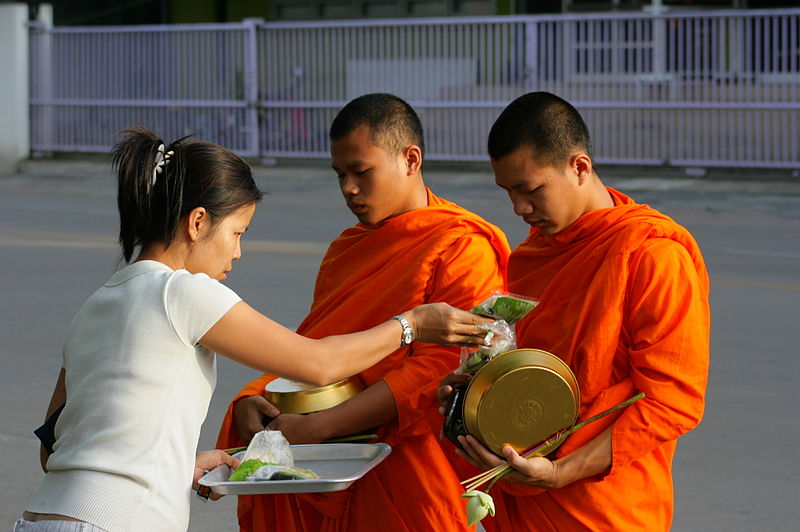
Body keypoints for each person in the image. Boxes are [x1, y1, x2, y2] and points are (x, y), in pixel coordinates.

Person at [16, 126, 493, 532]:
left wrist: (179, 465)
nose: (237, 254)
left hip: (44, 515)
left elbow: (55, 448)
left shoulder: (99, 301)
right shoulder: (181, 292)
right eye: (237, 233)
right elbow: (317, 362)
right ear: (198, 223)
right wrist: (413, 324)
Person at [215, 93, 511, 532]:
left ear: (411, 159)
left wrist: (324, 426)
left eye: (361, 172)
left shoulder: (460, 244)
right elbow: (316, 344)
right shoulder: (346, 248)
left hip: (406, 464)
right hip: (326, 457)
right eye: (340, 174)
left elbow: (439, 371)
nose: (348, 189)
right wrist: (255, 398)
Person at [439, 92, 710, 531]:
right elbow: (529, 376)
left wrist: (563, 472)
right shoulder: (531, 256)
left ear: (579, 167)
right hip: (525, 491)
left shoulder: (651, 255)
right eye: (508, 193)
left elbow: (672, 400)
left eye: (531, 190)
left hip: (606, 504)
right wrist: (475, 395)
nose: (520, 210)